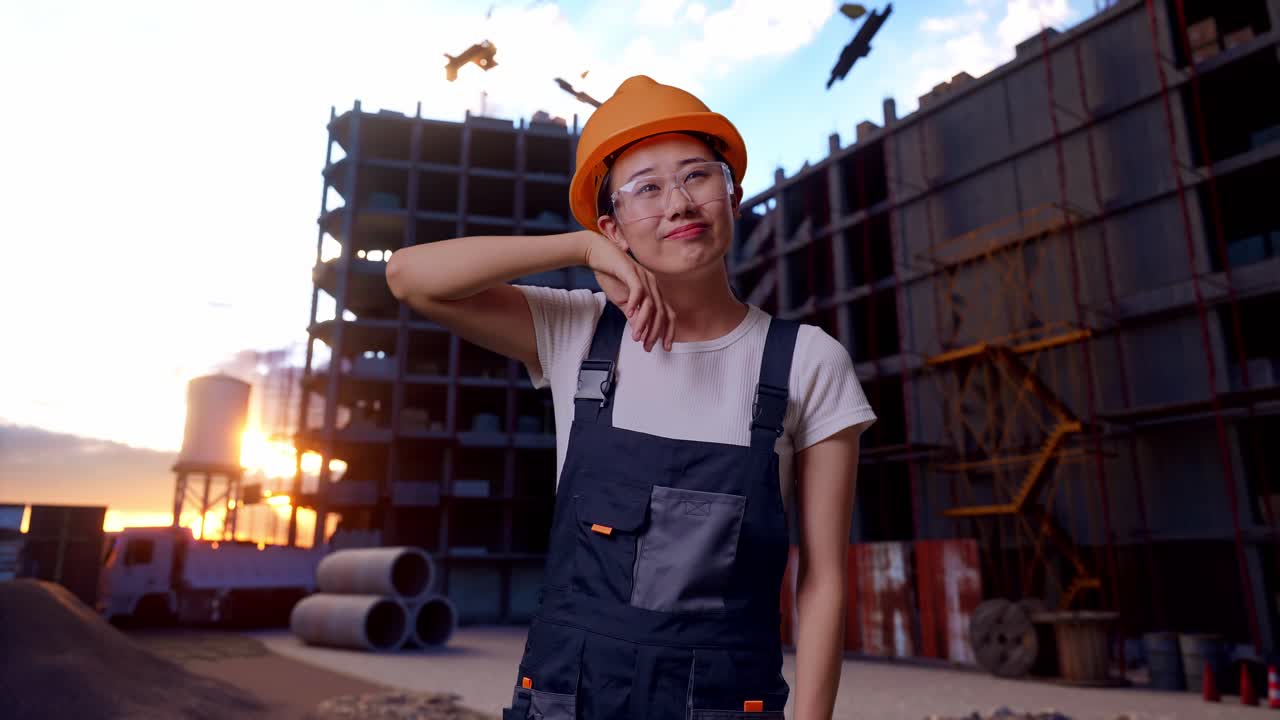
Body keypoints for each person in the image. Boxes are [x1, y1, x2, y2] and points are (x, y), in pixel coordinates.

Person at [386, 75, 876, 720]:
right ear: (615, 228)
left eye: (697, 176)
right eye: (647, 187)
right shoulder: (578, 333)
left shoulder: (808, 360)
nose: (678, 203)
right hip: (569, 694)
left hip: (726, 703)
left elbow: (822, 579)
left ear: (732, 194)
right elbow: (409, 277)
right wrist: (577, 244)